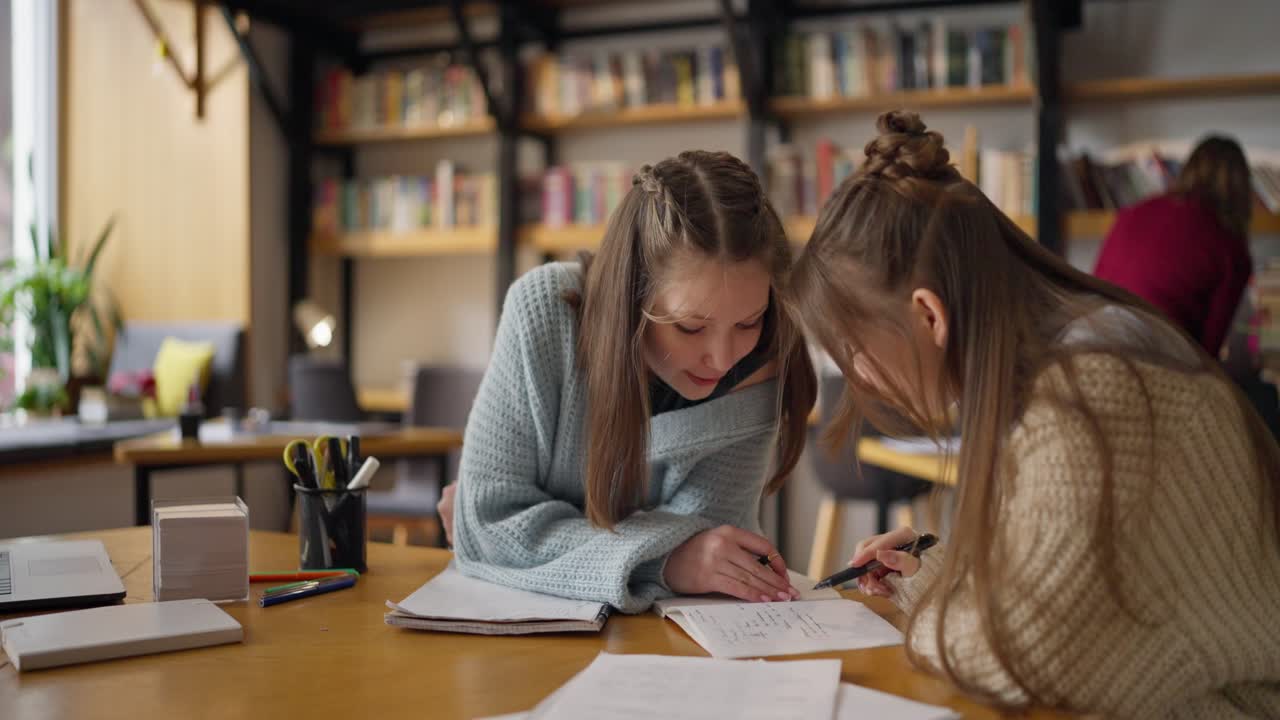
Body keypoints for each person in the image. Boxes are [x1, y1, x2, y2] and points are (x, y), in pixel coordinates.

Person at [792, 111, 1280, 717]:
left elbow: (1017, 655)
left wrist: (926, 606)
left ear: (928, 316)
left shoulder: (1088, 396)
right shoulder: (1055, 365)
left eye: (854, 352)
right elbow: (1043, 558)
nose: (858, 377)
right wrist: (925, 569)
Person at [440, 150, 817, 613]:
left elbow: (709, 543)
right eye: (690, 327)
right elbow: (491, 524)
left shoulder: (764, 360)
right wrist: (668, 556)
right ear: (631, 295)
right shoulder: (542, 311)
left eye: (748, 321)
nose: (722, 358)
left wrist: (540, 536)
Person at [1094, 136, 1254, 356]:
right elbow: (1208, 348)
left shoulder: (1134, 212)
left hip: (1093, 336)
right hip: (1157, 354)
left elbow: (1095, 281)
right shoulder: (1231, 247)